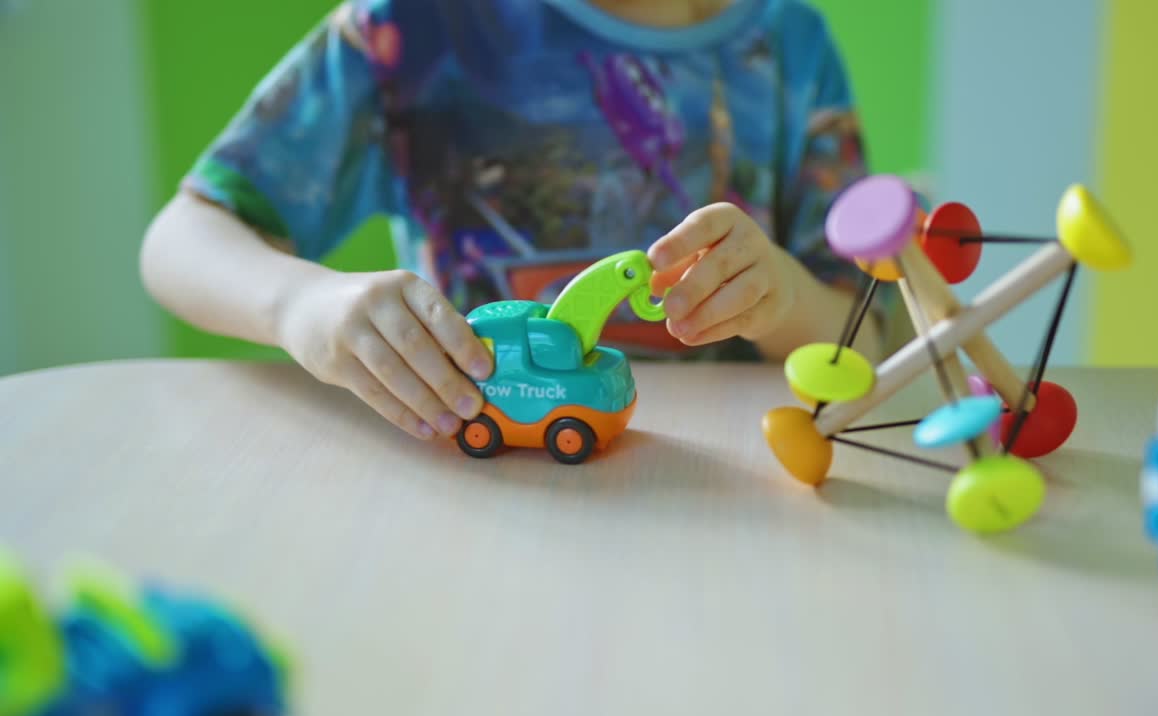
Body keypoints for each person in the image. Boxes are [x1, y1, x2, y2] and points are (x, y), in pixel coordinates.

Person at [141, 0, 899, 443]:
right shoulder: (413, 28)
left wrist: (786, 299)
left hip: (727, 497)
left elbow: (867, 339)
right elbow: (181, 237)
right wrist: (300, 304)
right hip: (480, 482)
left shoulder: (790, 44)